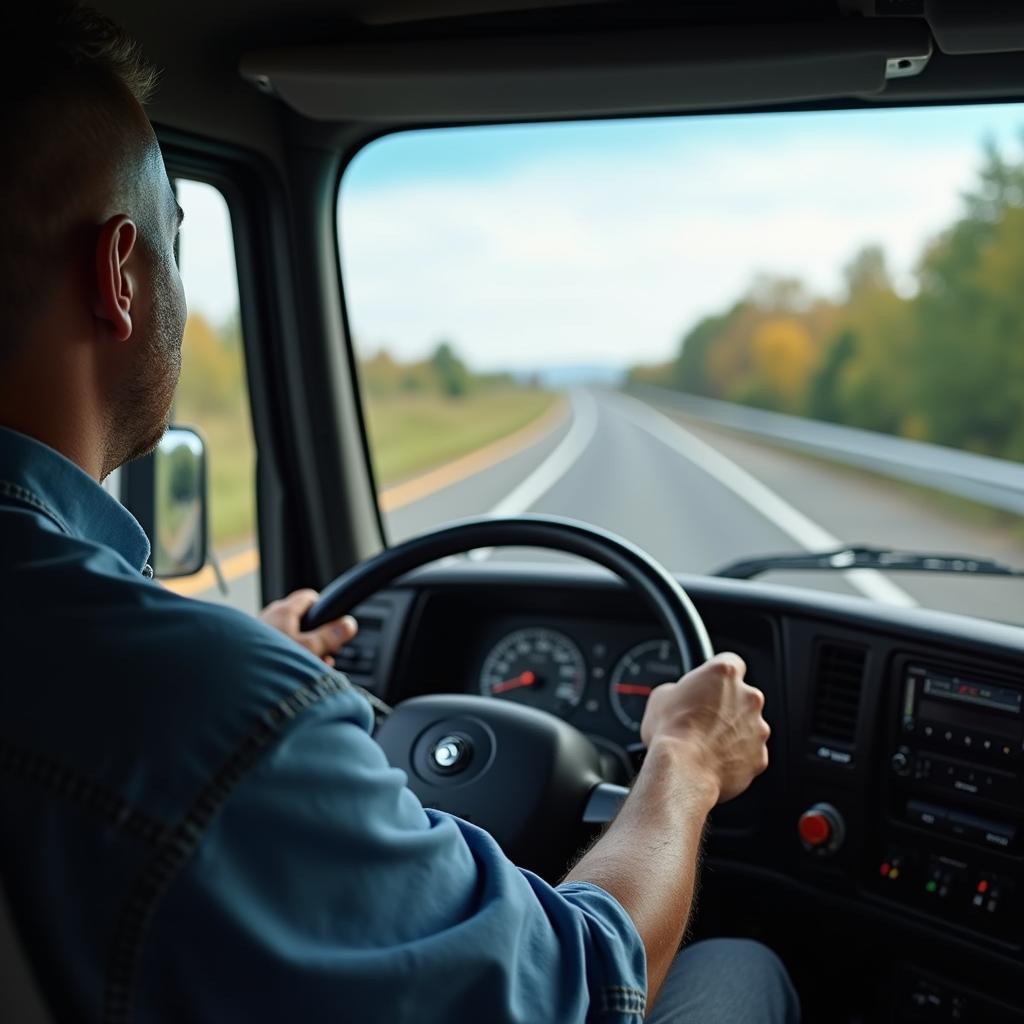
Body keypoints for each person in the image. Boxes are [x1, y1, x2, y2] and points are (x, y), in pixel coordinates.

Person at [0, 4, 798, 1022]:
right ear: (119, 273)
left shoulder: (182, 692)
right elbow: (584, 983)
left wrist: (236, 665)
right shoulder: (205, 708)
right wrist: (683, 761)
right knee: (739, 968)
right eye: (174, 249)